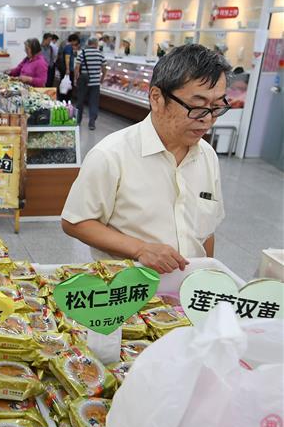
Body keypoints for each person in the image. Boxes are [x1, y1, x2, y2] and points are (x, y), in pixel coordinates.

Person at [61, 44, 230, 274]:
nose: (207, 119)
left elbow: (207, 233)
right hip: (129, 289)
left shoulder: (207, 156)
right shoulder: (111, 155)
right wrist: (140, 249)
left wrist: (206, 275)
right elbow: (75, 221)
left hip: (187, 290)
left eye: (217, 106)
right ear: (157, 98)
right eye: (198, 106)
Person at [75, 37, 106, 130]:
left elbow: (77, 67)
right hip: (95, 82)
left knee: (80, 101)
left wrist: (76, 78)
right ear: (96, 44)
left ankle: (78, 121)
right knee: (94, 102)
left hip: (84, 81)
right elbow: (104, 68)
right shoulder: (100, 54)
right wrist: (102, 79)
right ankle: (92, 123)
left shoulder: (82, 53)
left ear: (88, 44)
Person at [56, 33, 81, 102]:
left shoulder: (67, 46)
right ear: (73, 40)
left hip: (66, 69)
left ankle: (63, 99)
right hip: (68, 70)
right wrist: (67, 69)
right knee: (67, 85)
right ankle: (65, 99)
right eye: (76, 41)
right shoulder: (69, 47)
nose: (76, 43)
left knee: (65, 84)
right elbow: (67, 58)